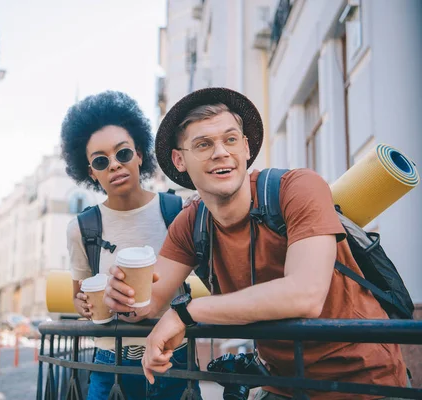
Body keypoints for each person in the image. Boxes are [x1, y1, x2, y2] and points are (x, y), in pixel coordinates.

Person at [103, 87, 410, 399]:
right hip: (282, 385)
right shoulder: (192, 222)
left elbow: (304, 295)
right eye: (204, 144)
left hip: (364, 382)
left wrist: (186, 313)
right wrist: (123, 297)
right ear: (179, 160)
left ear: (246, 148)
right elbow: (149, 302)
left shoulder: (298, 188)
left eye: (230, 139)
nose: (221, 152)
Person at [61, 90, 200, 400]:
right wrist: (84, 305)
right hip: (111, 361)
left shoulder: (176, 211)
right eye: (100, 160)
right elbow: (79, 298)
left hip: (173, 356)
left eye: (122, 153)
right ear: (91, 173)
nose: (114, 165)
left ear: (139, 154)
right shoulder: (82, 228)